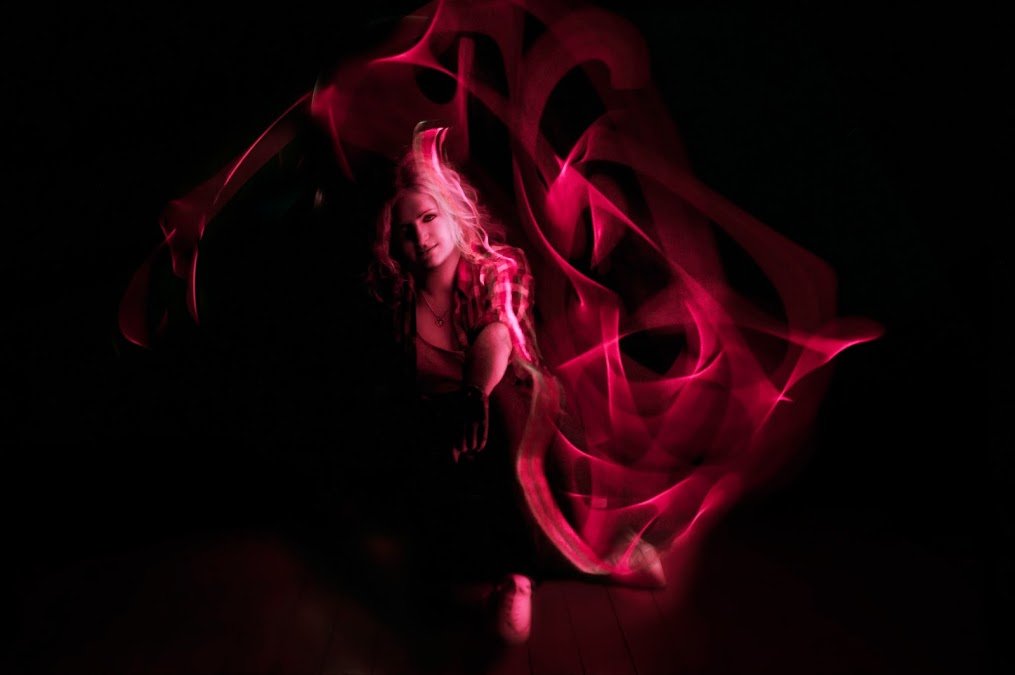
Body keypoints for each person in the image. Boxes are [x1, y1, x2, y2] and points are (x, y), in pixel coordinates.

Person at [363, 123, 549, 645]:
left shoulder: (496, 268)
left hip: (506, 402)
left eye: (429, 218)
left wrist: (474, 395)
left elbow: (498, 331)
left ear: (452, 213)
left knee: (498, 412)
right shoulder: (395, 294)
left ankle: (516, 578)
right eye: (406, 229)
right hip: (435, 416)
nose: (421, 237)